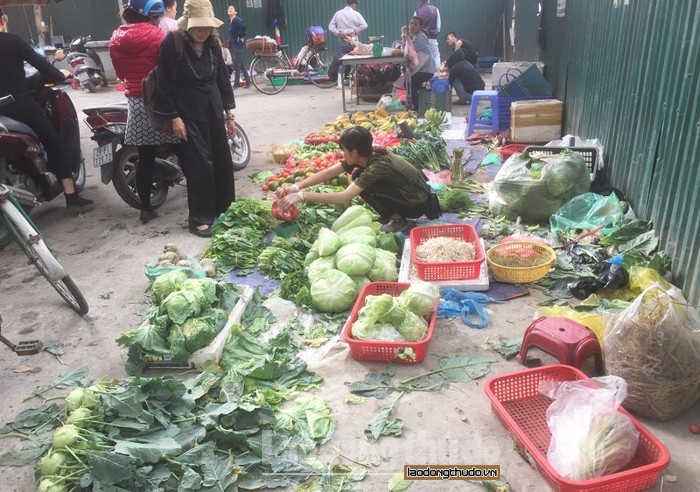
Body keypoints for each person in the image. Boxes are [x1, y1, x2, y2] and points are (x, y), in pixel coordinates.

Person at [153, 0, 236, 237]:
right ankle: (199, 218)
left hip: (213, 107)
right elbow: (165, 82)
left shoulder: (213, 43)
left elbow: (222, 79)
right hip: (187, 111)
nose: (203, 31)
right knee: (200, 163)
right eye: (199, 27)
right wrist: (174, 117)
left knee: (221, 159)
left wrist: (229, 115)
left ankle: (224, 210)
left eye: (207, 27)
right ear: (187, 25)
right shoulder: (173, 42)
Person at [0, 8, 93, 209]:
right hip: (21, 105)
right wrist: (62, 75)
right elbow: (44, 67)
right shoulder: (12, 40)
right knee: (54, 144)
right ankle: (70, 195)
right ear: (2, 20)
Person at [277, 126, 440, 233]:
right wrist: (297, 186)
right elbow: (329, 172)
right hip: (414, 195)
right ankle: (394, 214)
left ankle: (399, 220)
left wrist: (302, 196)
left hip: (419, 204)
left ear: (354, 152)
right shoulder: (369, 153)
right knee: (356, 176)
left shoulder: (378, 166)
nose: (343, 154)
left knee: (368, 187)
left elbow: (343, 198)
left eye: (344, 151)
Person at [110, 0, 180, 224]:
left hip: (136, 101)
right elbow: (168, 69)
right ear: (153, 15)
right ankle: (200, 196)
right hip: (160, 99)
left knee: (145, 157)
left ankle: (146, 209)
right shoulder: (159, 36)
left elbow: (120, 72)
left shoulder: (116, 38)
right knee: (183, 146)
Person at [328, 0, 368, 79]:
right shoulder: (356, 14)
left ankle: (340, 83)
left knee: (342, 62)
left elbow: (331, 27)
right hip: (354, 42)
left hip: (343, 41)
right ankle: (353, 81)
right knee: (355, 61)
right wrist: (355, 31)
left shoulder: (338, 14)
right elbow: (364, 25)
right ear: (353, 4)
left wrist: (339, 33)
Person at [406, 16, 437, 110]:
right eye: (411, 24)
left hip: (426, 69)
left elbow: (410, 53)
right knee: (413, 83)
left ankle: (418, 107)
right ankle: (423, 101)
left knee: (408, 82)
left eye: (415, 24)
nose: (412, 26)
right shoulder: (416, 36)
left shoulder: (419, 37)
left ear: (420, 27)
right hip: (424, 68)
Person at [227, 5, 250, 89]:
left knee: (236, 65)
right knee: (241, 65)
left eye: (231, 9)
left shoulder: (236, 20)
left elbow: (243, 27)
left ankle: (236, 84)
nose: (229, 10)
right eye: (228, 9)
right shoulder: (231, 21)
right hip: (236, 46)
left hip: (238, 46)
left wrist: (240, 36)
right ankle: (248, 82)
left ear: (235, 12)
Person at [414, 0, 441, 69]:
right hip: (432, 38)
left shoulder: (417, 12)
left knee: (422, 59)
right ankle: (437, 76)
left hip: (421, 39)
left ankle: (425, 78)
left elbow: (415, 28)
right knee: (435, 57)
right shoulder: (435, 9)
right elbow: (438, 27)